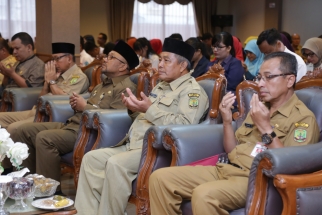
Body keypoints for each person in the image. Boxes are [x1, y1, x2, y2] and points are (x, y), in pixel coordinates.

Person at [149, 52, 320, 215]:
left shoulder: (303, 119)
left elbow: (289, 166)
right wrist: (226, 120)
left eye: (269, 77)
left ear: (290, 80)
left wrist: (266, 129)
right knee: (160, 178)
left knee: (205, 195)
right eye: (259, 77)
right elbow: (232, 150)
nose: (260, 84)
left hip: (254, 180)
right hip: (226, 168)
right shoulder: (259, 107)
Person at [74, 38, 209, 215]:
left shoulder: (192, 92)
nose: (160, 64)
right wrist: (134, 108)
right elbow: (146, 115)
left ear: (183, 65)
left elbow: (186, 126)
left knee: (116, 164)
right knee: (91, 158)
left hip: (156, 150)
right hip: (132, 144)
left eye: (166, 60)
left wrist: (149, 109)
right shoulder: (162, 86)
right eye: (160, 59)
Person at [11, 40, 139, 194]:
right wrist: (77, 104)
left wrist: (85, 106)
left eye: (111, 57)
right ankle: (25, 185)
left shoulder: (125, 88)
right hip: (72, 124)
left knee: (44, 138)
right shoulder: (101, 85)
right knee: (22, 131)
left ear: (123, 66)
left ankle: (49, 193)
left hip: (88, 133)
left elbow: (116, 121)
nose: (104, 59)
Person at [0, 42, 89, 135]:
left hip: (49, 116)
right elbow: (41, 98)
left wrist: (52, 81)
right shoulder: (57, 73)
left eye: (57, 59)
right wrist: (47, 82)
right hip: (37, 110)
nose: (54, 63)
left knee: (13, 128)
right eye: (53, 59)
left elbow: (64, 99)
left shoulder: (79, 77)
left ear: (69, 58)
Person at [207, 32, 244, 109]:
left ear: (228, 48)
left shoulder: (235, 63)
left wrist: (215, 76)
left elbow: (232, 85)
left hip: (228, 100)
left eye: (219, 47)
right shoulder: (211, 64)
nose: (215, 50)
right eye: (213, 47)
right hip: (210, 98)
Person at [0, 32, 44, 96]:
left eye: (17, 48)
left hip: (20, 101)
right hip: (6, 98)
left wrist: (12, 74)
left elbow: (31, 88)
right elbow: (4, 87)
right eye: (13, 49)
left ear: (29, 47)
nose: (14, 52)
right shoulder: (18, 62)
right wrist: (6, 76)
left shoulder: (38, 65)